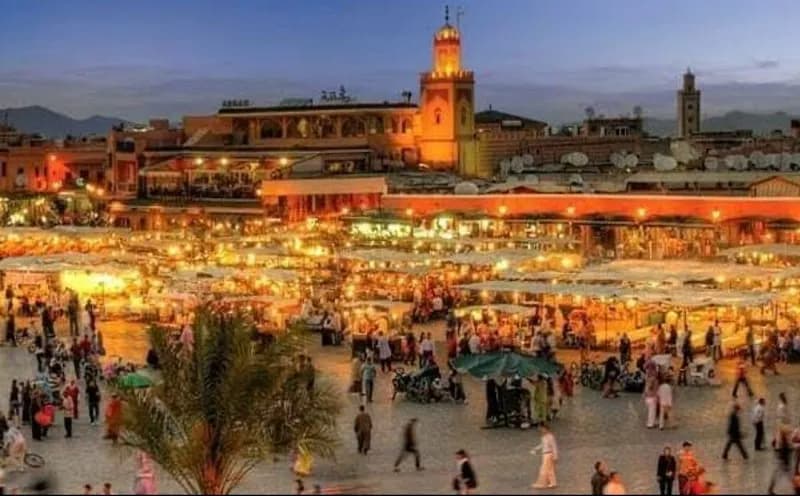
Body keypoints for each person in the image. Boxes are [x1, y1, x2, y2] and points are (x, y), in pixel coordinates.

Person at [531, 423, 558, 489]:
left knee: (544, 468)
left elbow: (554, 446)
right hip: (545, 454)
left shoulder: (550, 437)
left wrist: (555, 456)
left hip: (548, 454)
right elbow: (542, 445)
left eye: (542, 429)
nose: (541, 430)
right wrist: (536, 448)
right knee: (550, 469)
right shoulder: (544, 437)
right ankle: (553, 482)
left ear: (545, 429)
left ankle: (542, 483)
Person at [769, 425, 794, 495]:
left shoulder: (781, 441)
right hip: (783, 463)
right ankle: (796, 489)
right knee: (790, 476)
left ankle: (770, 489)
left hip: (780, 462)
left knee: (776, 475)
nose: (790, 435)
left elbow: (774, 445)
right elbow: (785, 452)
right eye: (788, 433)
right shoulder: (784, 442)